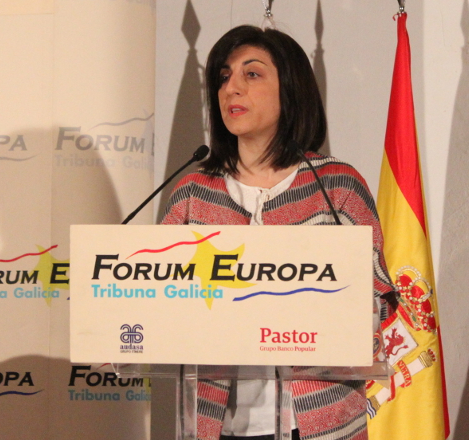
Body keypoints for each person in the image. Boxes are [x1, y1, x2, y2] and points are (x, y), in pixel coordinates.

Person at [160, 24, 398, 440]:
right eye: (223, 77)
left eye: (251, 74)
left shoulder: (337, 187)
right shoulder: (193, 194)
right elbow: (157, 300)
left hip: (320, 425)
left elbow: (380, 298)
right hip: (218, 426)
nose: (231, 88)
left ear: (290, 90)